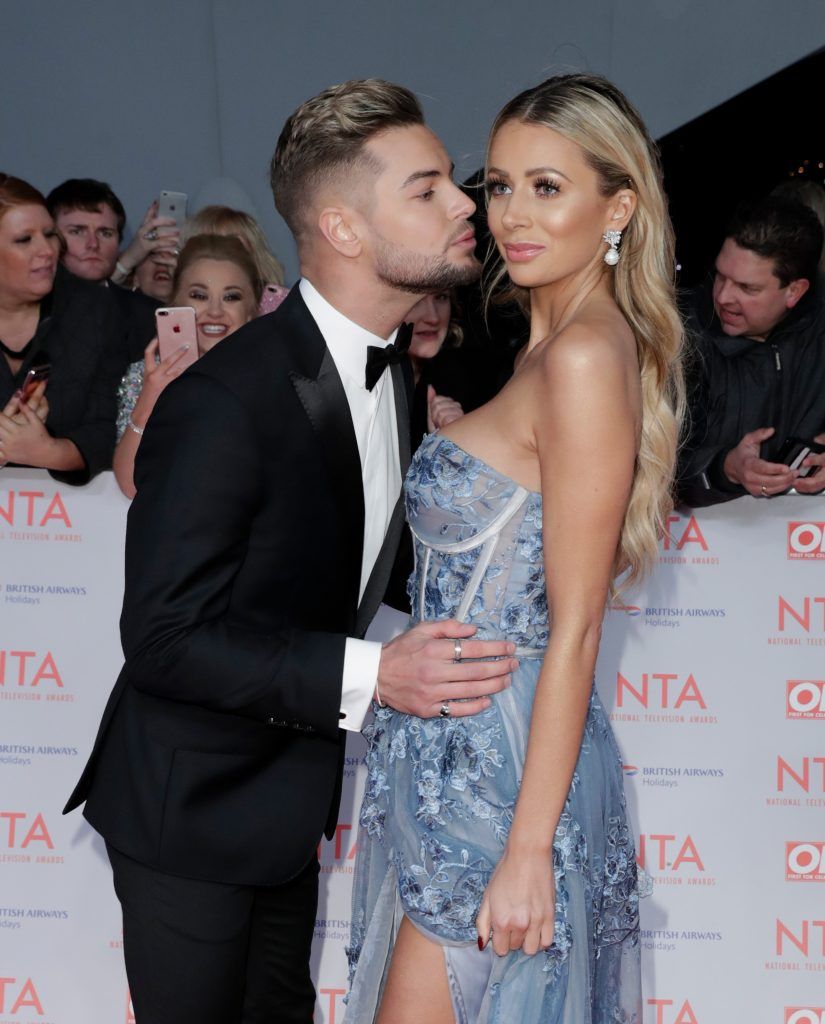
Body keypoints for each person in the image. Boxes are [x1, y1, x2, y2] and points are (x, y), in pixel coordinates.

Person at [64, 79, 518, 1024]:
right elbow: (162, 638)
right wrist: (373, 673)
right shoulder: (225, 400)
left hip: (285, 808)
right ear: (345, 229)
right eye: (427, 188)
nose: (465, 202)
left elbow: (342, 552)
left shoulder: (393, 370)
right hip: (187, 811)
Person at [346, 73, 684, 1024]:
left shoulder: (580, 356)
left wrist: (529, 847)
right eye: (497, 185)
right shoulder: (544, 348)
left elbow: (575, 628)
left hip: (501, 779)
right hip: (455, 754)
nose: (511, 215)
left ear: (617, 207)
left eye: (547, 186)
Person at [677, 196, 825, 507]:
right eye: (720, 275)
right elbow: (642, 463)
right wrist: (724, 468)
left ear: (794, 291)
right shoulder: (677, 334)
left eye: (748, 288)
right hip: (694, 550)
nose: (724, 296)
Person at [113, 233, 262, 498]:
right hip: (175, 532)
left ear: (252, 310)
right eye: (199, 295)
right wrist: (149, 401)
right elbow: (131, 485)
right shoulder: (147, 375)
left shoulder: (275, 378)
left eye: (231, 297)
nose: (215, 311)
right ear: (176, 304)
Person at [0, 174, 126, 482]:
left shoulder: (95, 310)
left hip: (67, 522)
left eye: (49, 234)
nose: (48, 250)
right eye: (24, 239)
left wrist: (47, 451)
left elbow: (108, 428)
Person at [46, 178, 159, 361]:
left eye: (105, 233)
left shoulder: (149, 316)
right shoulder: (29, 313)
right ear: (50, 238)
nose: (93, 244)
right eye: (77, 231)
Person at [182, 205, 289, 314]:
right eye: (209, 250)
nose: (222, 261)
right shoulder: (177, 314)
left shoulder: (281, 312)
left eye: (236, 250)